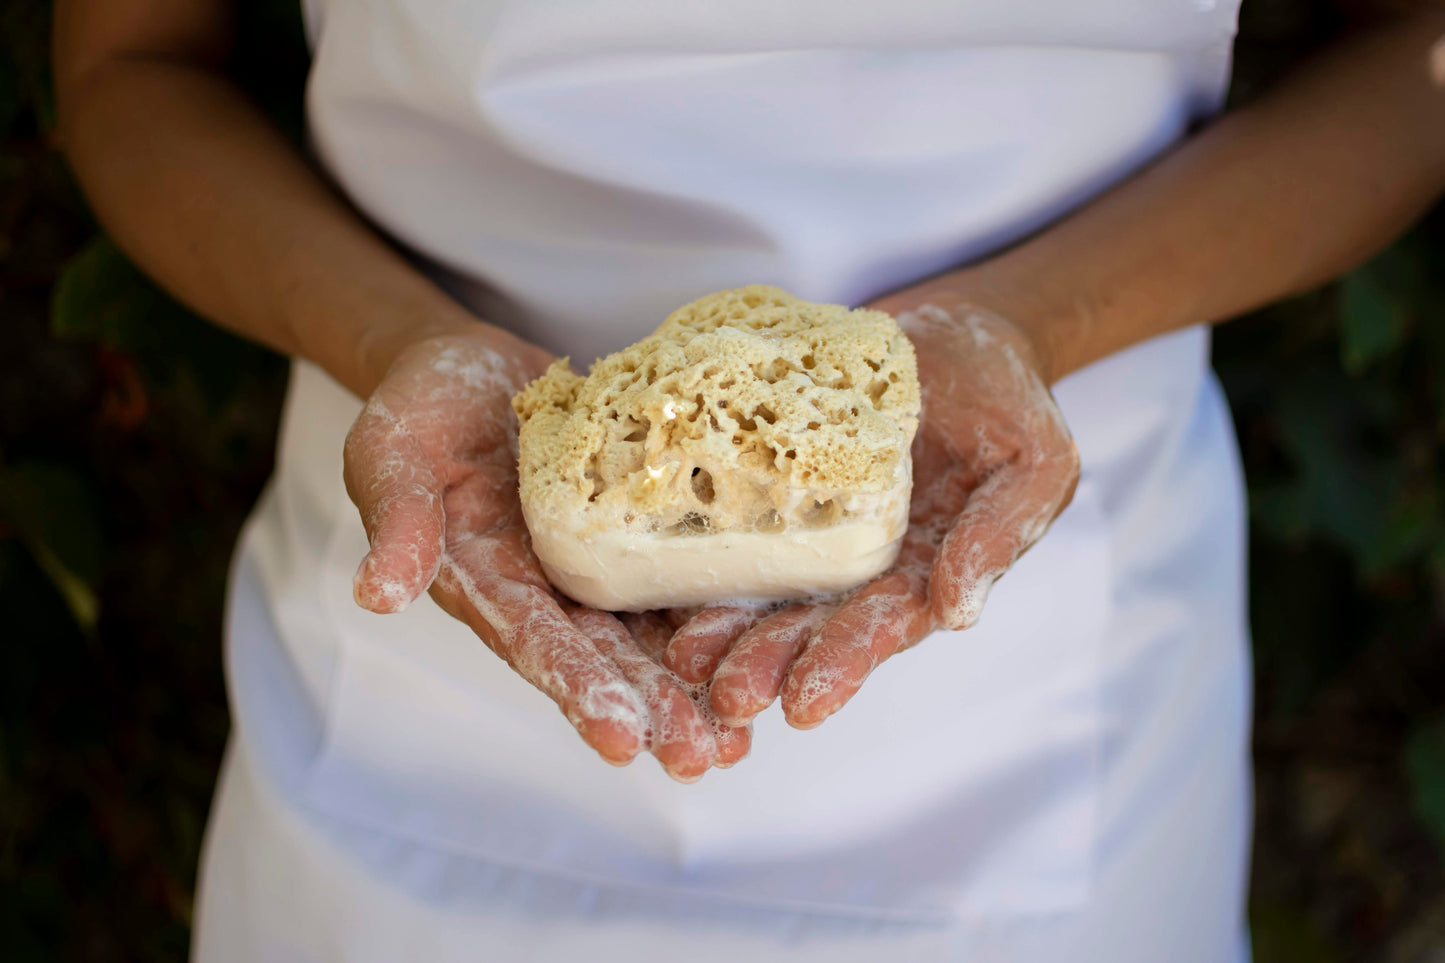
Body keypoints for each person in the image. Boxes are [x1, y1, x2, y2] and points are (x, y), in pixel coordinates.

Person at [54, 0, 1445, 959]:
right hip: (418, 654)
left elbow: (1411, 55)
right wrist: (392, 337)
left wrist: (1034, 324)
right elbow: (132, 65)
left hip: (1041, 695)